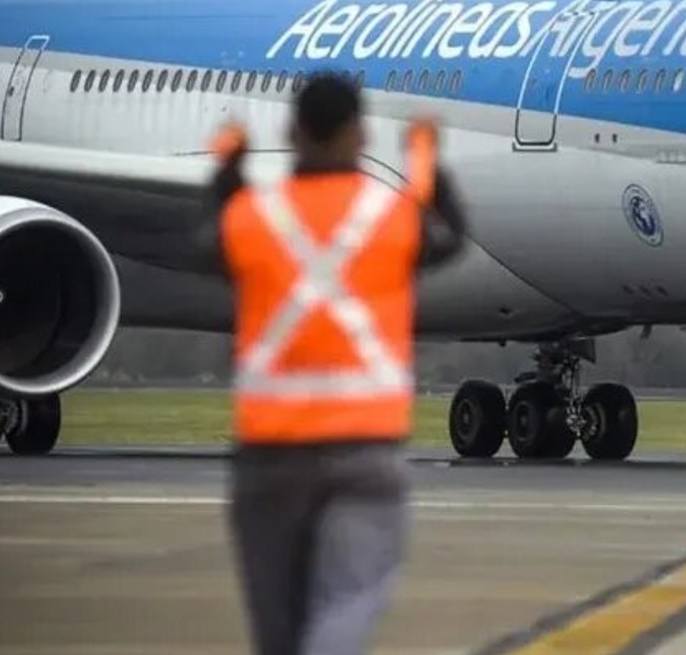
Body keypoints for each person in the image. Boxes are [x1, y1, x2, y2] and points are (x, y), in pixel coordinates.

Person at [193, 70, 468, 655]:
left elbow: (210, 244)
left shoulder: (254, 215)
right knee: (348, 600)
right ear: (360, 134)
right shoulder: (390, 216)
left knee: (276, 631)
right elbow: (450, 236)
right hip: (365, 453)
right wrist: (428, 163)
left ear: (292, 131)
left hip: (269, 458)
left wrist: (227, 172)